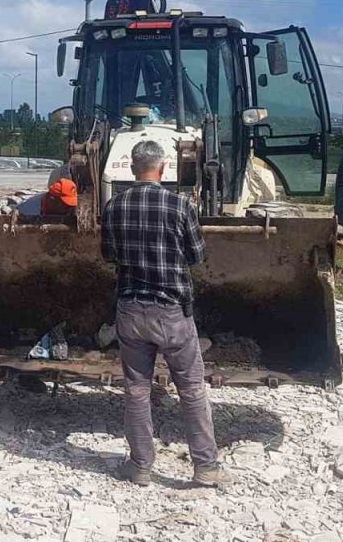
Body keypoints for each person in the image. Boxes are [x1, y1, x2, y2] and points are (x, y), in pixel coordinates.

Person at [100, 139, 231, 488]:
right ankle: (205, 467)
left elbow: (109, 254)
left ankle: (140, 466)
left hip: (130, 310)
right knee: (191, 390)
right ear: (163, 169)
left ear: (132, 168)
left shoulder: (114, 205)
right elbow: (196, 256)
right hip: (172, 313)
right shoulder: (180, 205)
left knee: (137, 390)